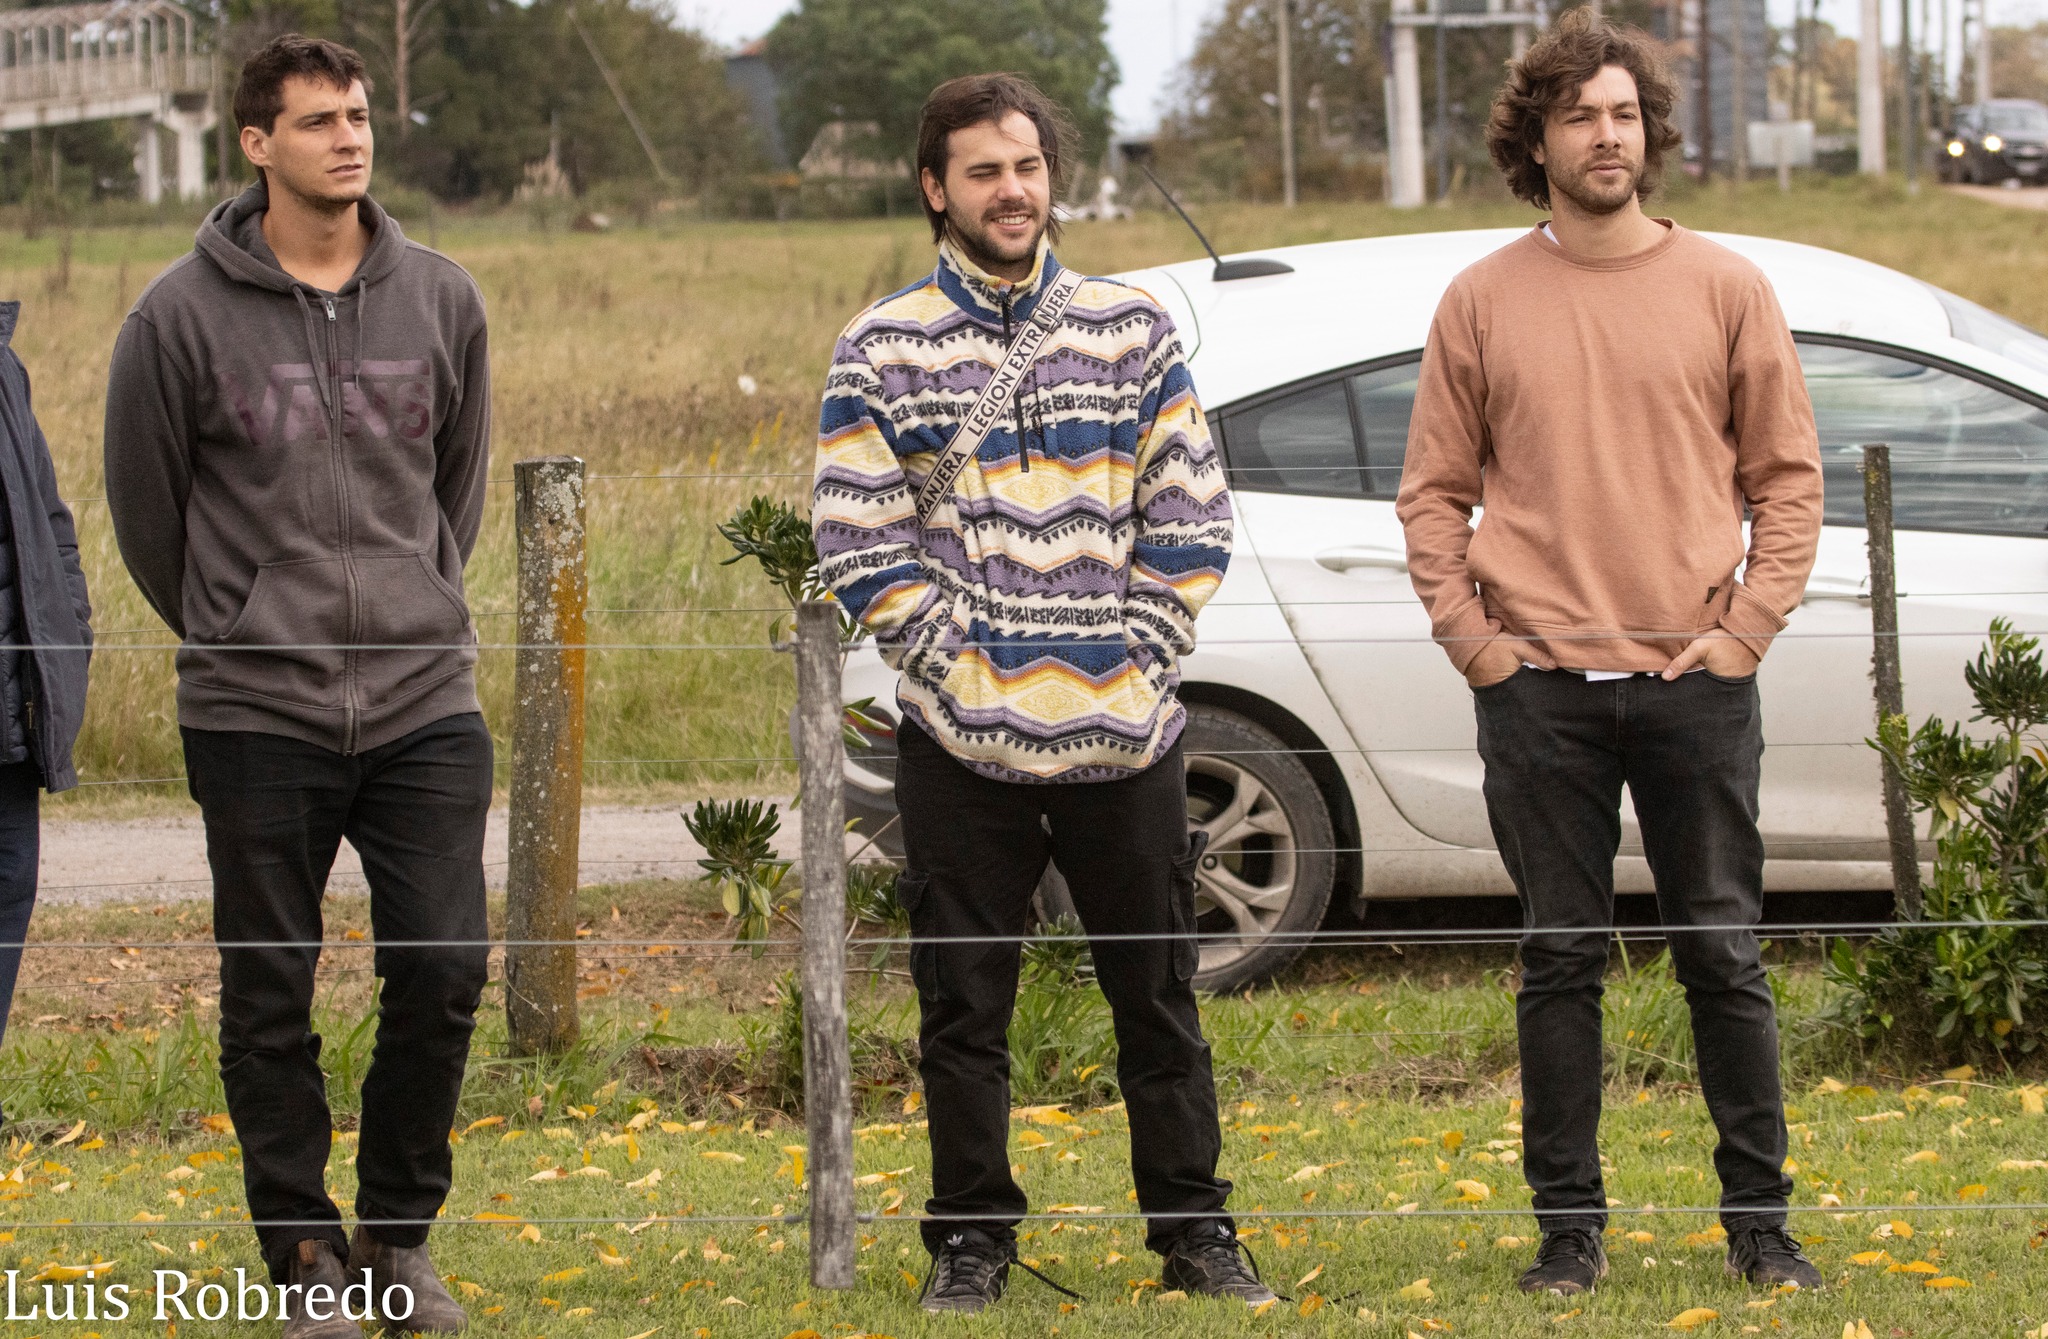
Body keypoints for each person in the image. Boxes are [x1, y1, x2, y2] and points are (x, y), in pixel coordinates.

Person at [1395, 10, 1827, 1299]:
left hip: (1696, 686)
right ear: (1534, 136)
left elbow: (1786, 483)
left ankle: (1760, 1227)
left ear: (1650, 133)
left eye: (1622, 113)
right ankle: (1566, 1230)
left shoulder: (1726, 288)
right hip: (1536, 694)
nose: (1604, 135)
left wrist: (1742, 632)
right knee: (1558, 960)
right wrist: (1474, 646)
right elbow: (1430, 494)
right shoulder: (1478, 299)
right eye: (1577, 114)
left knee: (1723, 956)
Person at [811, 72, 1256, 1314]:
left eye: (1026, 166)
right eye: (981, 172)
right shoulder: (880, 345)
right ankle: (970, 1239)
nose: (1010, 191)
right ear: (933, 190)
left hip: (1127, 732)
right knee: (962, 1008)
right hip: (957, 742)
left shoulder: (1132, 329)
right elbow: (856, 537)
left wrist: (1139, 651)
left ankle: (1194, 1232)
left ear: (1050, 176)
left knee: (1159, 999)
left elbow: (1192, 511)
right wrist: (949, 668)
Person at [104, 34, 490, 1337]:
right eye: (319, 119)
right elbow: (148, 515)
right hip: (254, 708)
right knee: (269, 984)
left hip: (423, 700)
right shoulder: (175, 315)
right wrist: (239, 621)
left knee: (442, 961)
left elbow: (458, 493)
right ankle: (304, 1257)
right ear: (257, 143)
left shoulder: (442, 298)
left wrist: (411, 600)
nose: (351, 137)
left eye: (362, 115)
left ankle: (397, 1234)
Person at [0, 305, 93, 1124]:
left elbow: (48, 527)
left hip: (7, 724)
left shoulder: (4, 364)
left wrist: (70, 639)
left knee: (8, 892)